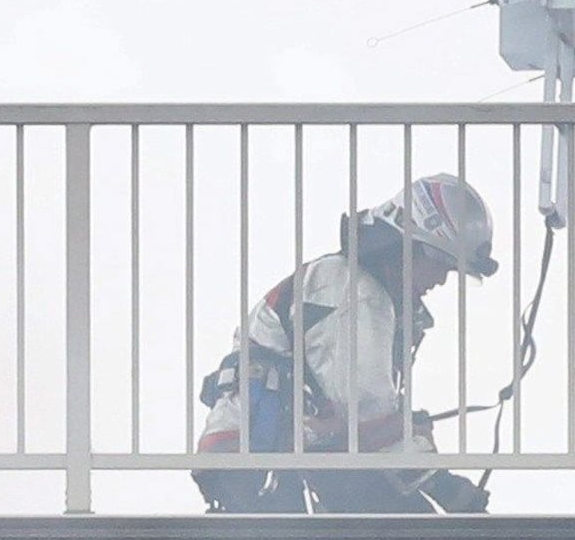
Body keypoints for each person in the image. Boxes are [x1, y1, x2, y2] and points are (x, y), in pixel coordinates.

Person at [192, 174, 504, 515]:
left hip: (275, 457)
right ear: (407, 245)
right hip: (262, 461)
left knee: (391, 539)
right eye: (439, 263)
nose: (442, 279)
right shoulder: (356, 294)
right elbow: (363, 410)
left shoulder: (352, 287)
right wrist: (441, 483)